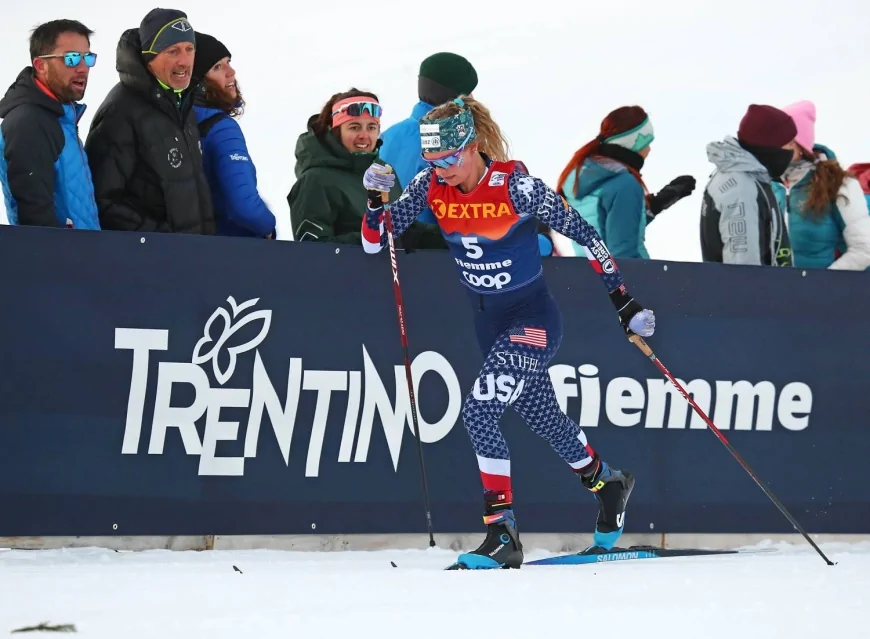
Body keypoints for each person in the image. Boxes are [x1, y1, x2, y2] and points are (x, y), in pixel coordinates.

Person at [359, 96, 656, 570]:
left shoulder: (517, 188)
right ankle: (607, 481)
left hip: (533, 320)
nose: (442, 170)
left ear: (473, 146)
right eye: (432, 161)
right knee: (545, 418)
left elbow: (587, 235)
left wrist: (623, 300)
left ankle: (502, 533)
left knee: (479, 412)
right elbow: (377, 243)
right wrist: (375, 201)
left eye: (450, 159)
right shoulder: (429, 185)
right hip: (489, 323)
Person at [84, 8, 215, 234]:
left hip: (195, 255)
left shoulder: (182, 102)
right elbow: (104, 200)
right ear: (149, 57)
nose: (185, 61)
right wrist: (161, 238)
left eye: (189, 49)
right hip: (152, 260)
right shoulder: (120, 110)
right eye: (173, 51)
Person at [288, 89, 443, 249]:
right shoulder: (314, 181)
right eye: (354, 127)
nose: (364, 135)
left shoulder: (382, 171)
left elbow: (403, 230)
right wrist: (375, 239)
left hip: (390, 272)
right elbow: (311, 250)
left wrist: (453, 237)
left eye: (371, 127)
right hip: (348, 273)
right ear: (336, 131)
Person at [553, 106, 695, 258]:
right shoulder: (625, 185)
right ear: (633, 143)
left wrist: (654, 205)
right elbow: (623, 254)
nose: (649, 149)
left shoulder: (586, 178)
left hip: (592, 274)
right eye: (647, 142)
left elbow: (606, 227)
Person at [0, 19, 100, 229]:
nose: (83, 68)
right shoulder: (30, 122)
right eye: (71, 59)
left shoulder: (60, 117)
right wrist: (63, 255)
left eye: (87, 58)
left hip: (83, 255)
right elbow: (34, 217)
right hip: (60, 258)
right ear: (41, 65)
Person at [192, 32, 276, 238]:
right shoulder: (221, 128)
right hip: (237, 252)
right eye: (217, 67)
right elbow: (244, 205)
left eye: (228, 62)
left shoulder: (185, 122)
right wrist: (268, 228)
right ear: (198, 81)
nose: (231, 72)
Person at [771, 101, 870, 270]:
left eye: (786, 140)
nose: (777, 145)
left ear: (801, 143)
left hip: (826, 292)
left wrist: (823, 285)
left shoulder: (839, 183)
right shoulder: (770, 187)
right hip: (777, 292)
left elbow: (865, 249)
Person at [700, 104, 796, 267]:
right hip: (755, 291)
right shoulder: (741, 189)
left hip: (772, 289)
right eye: (789, 143)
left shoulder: (753, 180)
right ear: (769, 146)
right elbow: (743, 270)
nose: (793, 150)